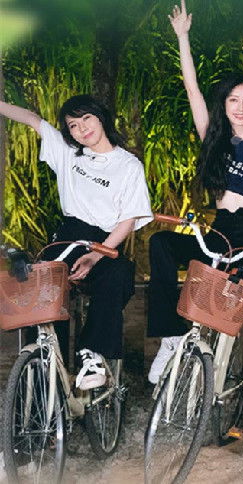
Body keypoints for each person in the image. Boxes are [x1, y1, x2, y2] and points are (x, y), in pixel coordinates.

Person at [146, 0, 243, 471]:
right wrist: (183, 38)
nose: (241, 107)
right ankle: (171, 338)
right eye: (234, 100)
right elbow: (191, 87)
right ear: (224, 105)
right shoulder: (215, 136)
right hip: (219, 231)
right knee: (162, 243)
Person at [0, 95, 152, 390]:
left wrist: (97, 255)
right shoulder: (68, 153)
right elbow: (32, 118)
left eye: (86, 119)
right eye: (73, 125)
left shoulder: (128, 165)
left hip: (105, 240)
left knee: (120, 273)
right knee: (45, 282)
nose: (82, 129)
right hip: (69, 234)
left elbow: (128, 220)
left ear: (100, 117)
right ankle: (42, 368)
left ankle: (92, 352)